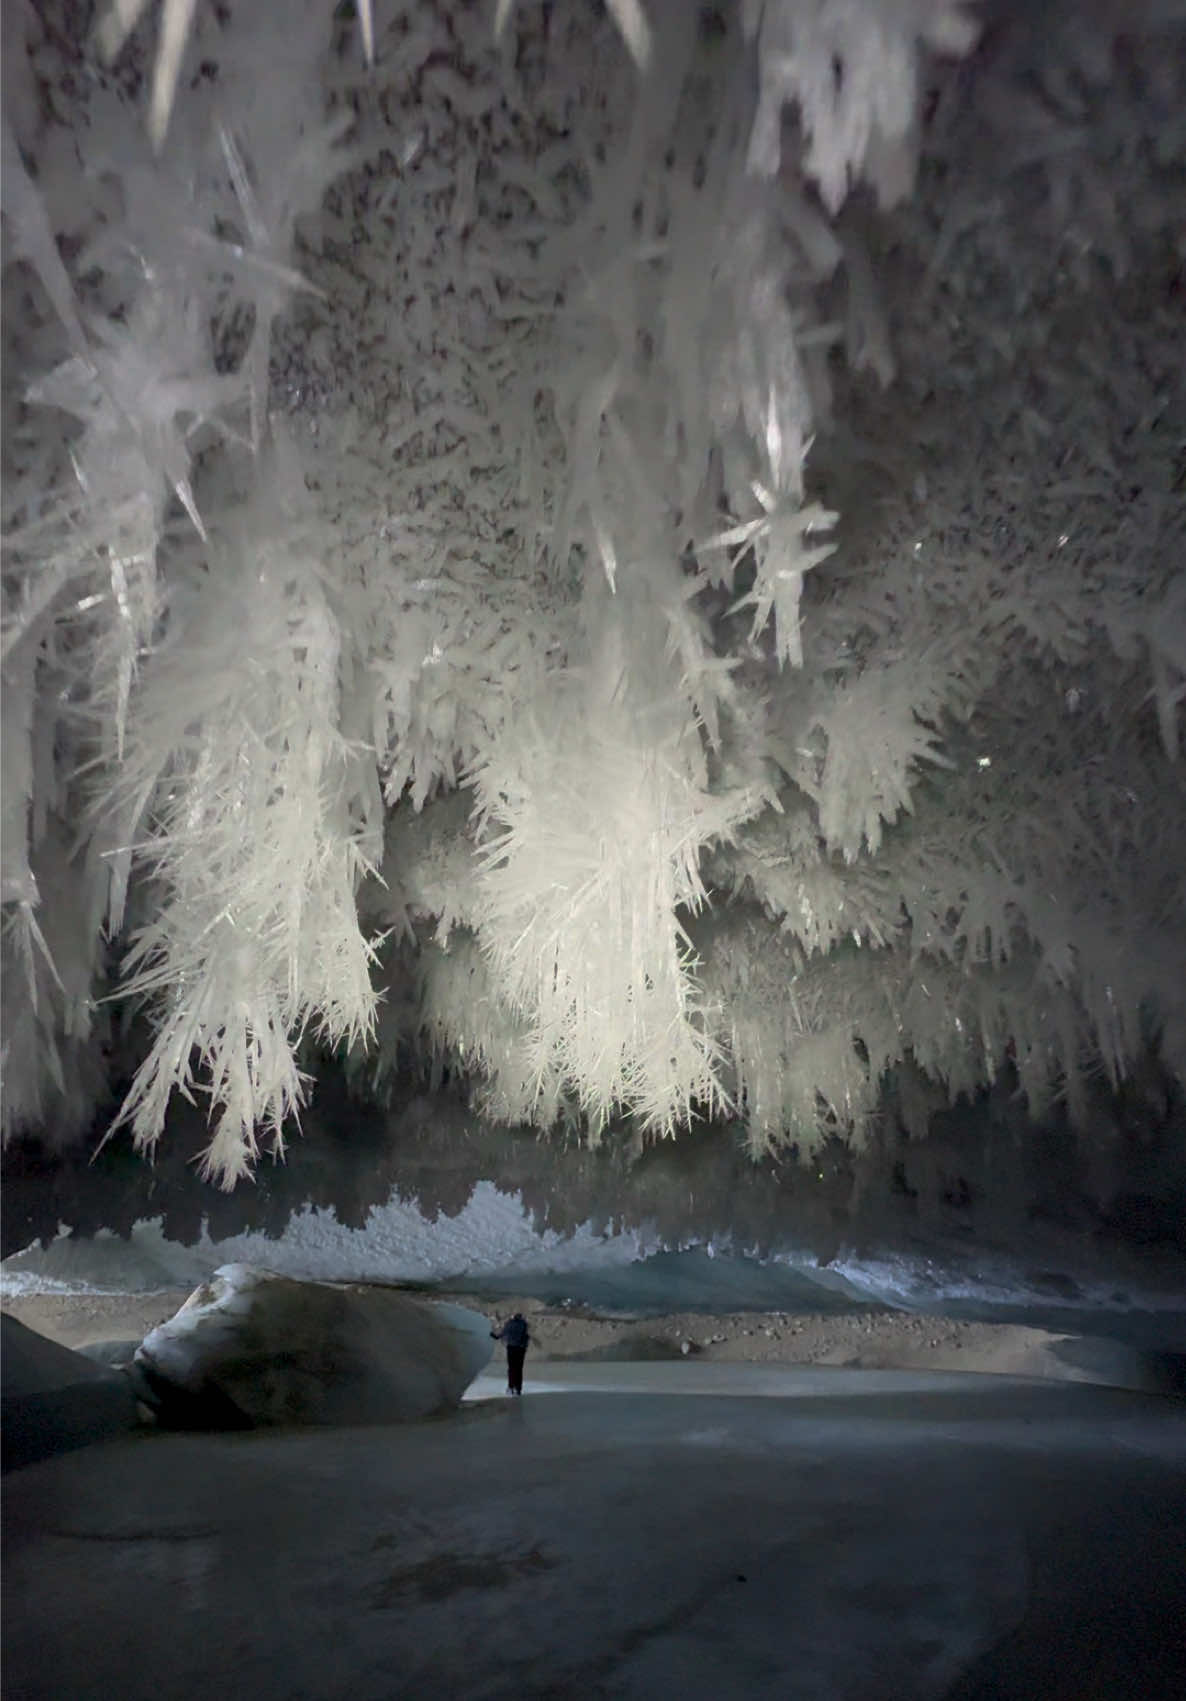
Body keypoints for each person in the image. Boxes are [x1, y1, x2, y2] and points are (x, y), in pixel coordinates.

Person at [490, 1312, 530, 1396]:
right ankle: (518, 1389)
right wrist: (525, 1346)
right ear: (520, 1317)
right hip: (520, 1349)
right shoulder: (524, 1324)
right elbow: (526, 1336)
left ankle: (510, 1387)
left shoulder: (509, 1323)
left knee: (511, 1368)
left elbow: (502, 1334)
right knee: (519, 1369)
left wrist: (493, 1335)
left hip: (511, 1348)